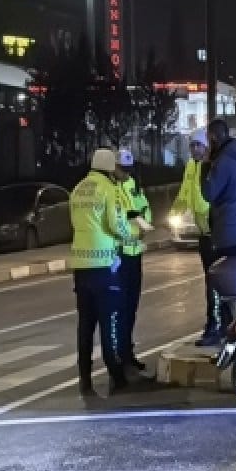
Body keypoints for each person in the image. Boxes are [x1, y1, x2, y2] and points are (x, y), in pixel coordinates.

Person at [69, 148, 136, 395]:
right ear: (109, 167)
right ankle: (117, 376)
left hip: (81, 268)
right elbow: (116, 224)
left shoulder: (77, 189)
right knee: (111, 323)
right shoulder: (108, 189)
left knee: (86, 325)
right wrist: (133, 233)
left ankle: (84, 378)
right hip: (105, 265)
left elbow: (75, 223)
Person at [198, 119, 236, 345]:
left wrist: (204, 167)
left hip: (227, 232)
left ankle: (224, 331)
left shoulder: (222, 163)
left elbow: (208, 193)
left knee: (221, 283)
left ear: (214, 138)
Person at [171, 129, 217, 346]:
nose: (195, 149)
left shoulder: (213, 166)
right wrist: (173, 214)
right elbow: (184, 193)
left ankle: (215, 326)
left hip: (215, 233)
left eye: (199, 145)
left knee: (215, 282)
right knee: (210, 281)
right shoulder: (191, 166)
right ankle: (215, 324)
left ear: (207, 147)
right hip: (203, 234)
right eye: (192, 146)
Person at [115, 149, 151, 372]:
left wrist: (144, 226)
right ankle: (117, 354)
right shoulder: (110, 190)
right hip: (118, 254)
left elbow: (145, 211)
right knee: (118, 309)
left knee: (131, 307)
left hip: (134, 253)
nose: (125, 173)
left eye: (128, 169)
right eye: (122, 169)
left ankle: (127, 352)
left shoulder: (135, 187)